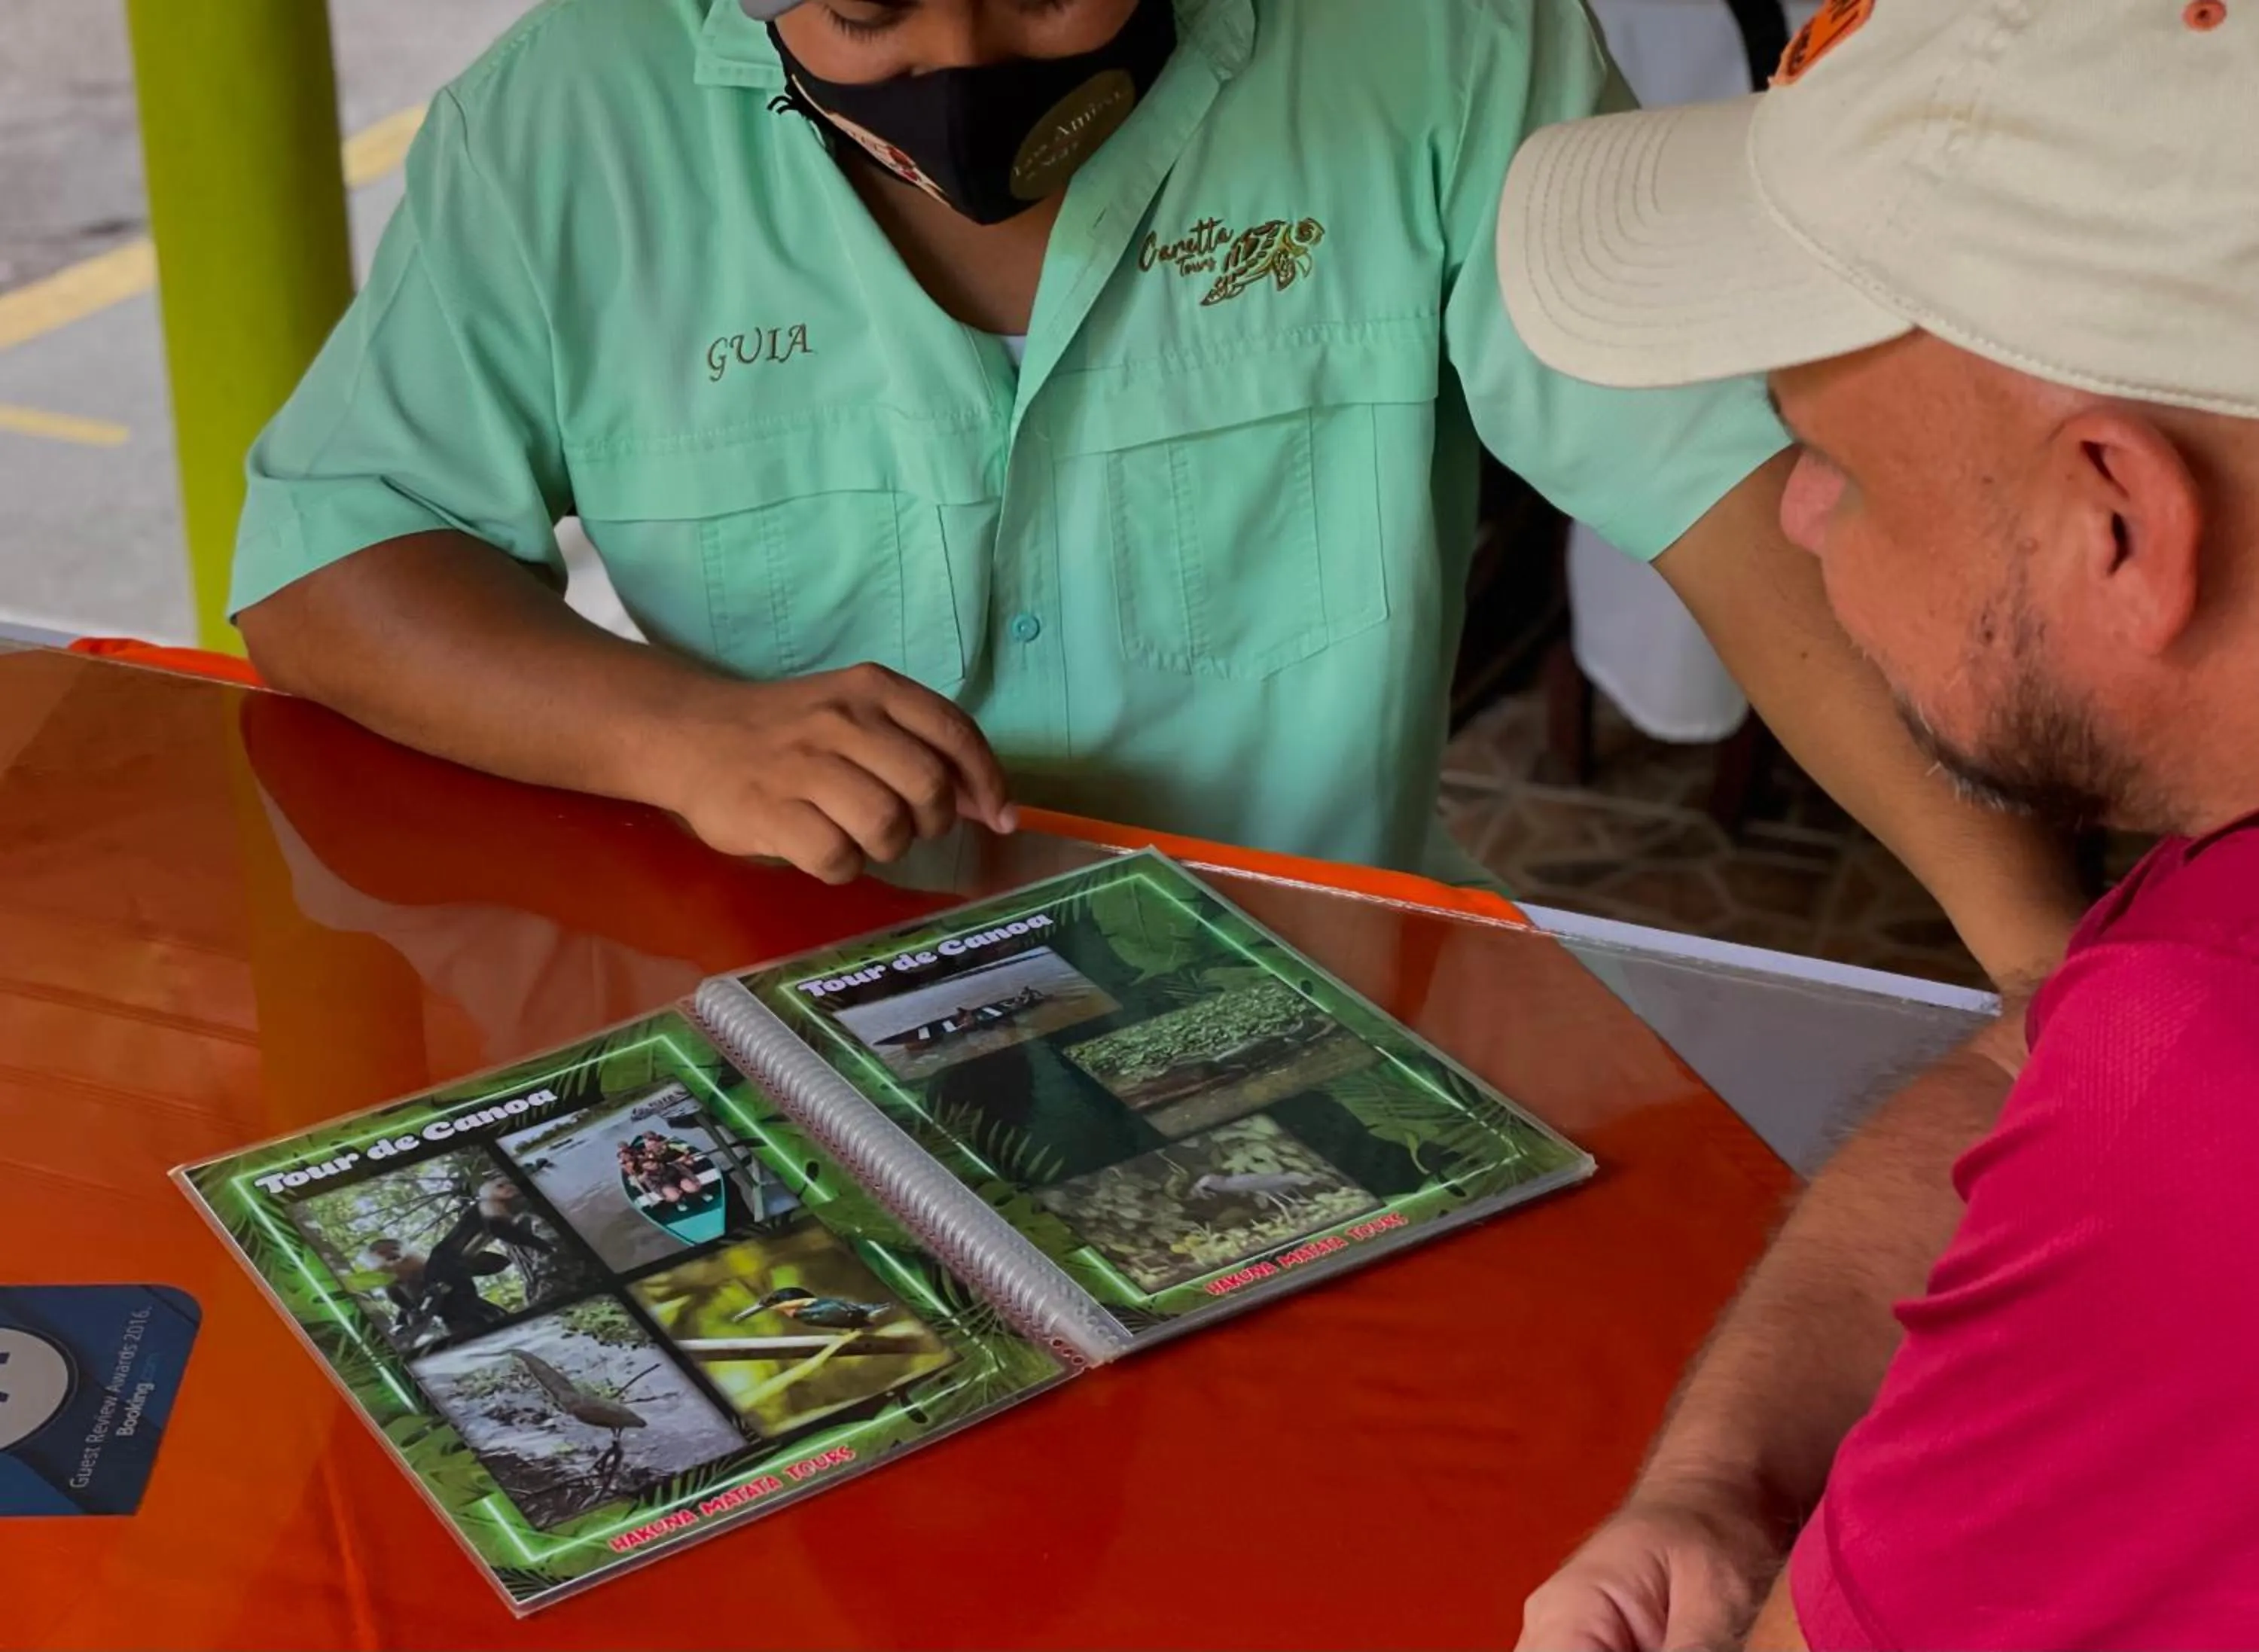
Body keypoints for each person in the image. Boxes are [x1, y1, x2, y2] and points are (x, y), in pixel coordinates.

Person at [230, 0, 2079, 991]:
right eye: (863, 6)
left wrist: (2042, 962)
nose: (964, 71)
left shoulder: (1434, 42)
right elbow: (329, 564)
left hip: (1311, 1012)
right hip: (790, 1016)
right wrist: (681, 730)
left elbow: (1731, 496)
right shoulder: (567, 120)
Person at [1498, 0, 2259, 1645]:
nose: (1798, 512)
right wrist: (1725, 1478)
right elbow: (2030, 1060)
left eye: (1826, 450)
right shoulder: (2210, 878)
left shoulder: (2214, 1069)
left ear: (2117, 522)